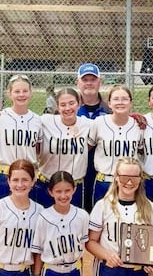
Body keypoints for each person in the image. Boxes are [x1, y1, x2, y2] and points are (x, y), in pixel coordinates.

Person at [86, 157, 152, 276]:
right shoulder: (103, 205)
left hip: (137, 274)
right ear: (115, 177)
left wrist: (150, 261)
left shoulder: (148, 207)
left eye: (134, 176)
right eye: (124, 176)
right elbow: (91, 242)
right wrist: (107, 255)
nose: (129, 181)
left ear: (141, 179)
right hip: (109, 271)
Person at [0, 74, 42, 202]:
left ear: (31, 93)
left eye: (25, 91)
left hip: (28, 176)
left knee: (28, 217)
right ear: (9, 94)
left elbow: (37, 149)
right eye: (17, 91)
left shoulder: (37, 120)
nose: (21, 95)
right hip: (3, 175)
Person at [35, 87, 92, 208]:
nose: (67, 108)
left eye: (72, 103)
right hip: (46, 184)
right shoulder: (45, 121)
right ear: (57, 106)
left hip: (74, 188)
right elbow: (23, 119)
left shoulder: (88, 124)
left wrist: (134, 117)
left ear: (79, 104)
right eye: (63, 104)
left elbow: (113, 122)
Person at [88, 85, 144, 205]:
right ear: (109, 103)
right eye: (116, 99)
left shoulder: (138, 125)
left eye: (124, 99)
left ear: (130, 103)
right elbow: (88, 147)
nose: (120, 102)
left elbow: (141, 151)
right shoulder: (99, 122)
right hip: (104, 181)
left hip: (129, 183)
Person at [76, 62, 111, 215]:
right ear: (78, 82)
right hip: (76, 167)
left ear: (99, 82)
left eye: (93, 79)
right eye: (85, 79)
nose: (89, 83)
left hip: (100, 169)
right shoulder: (69, 107)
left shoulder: (110, 109)